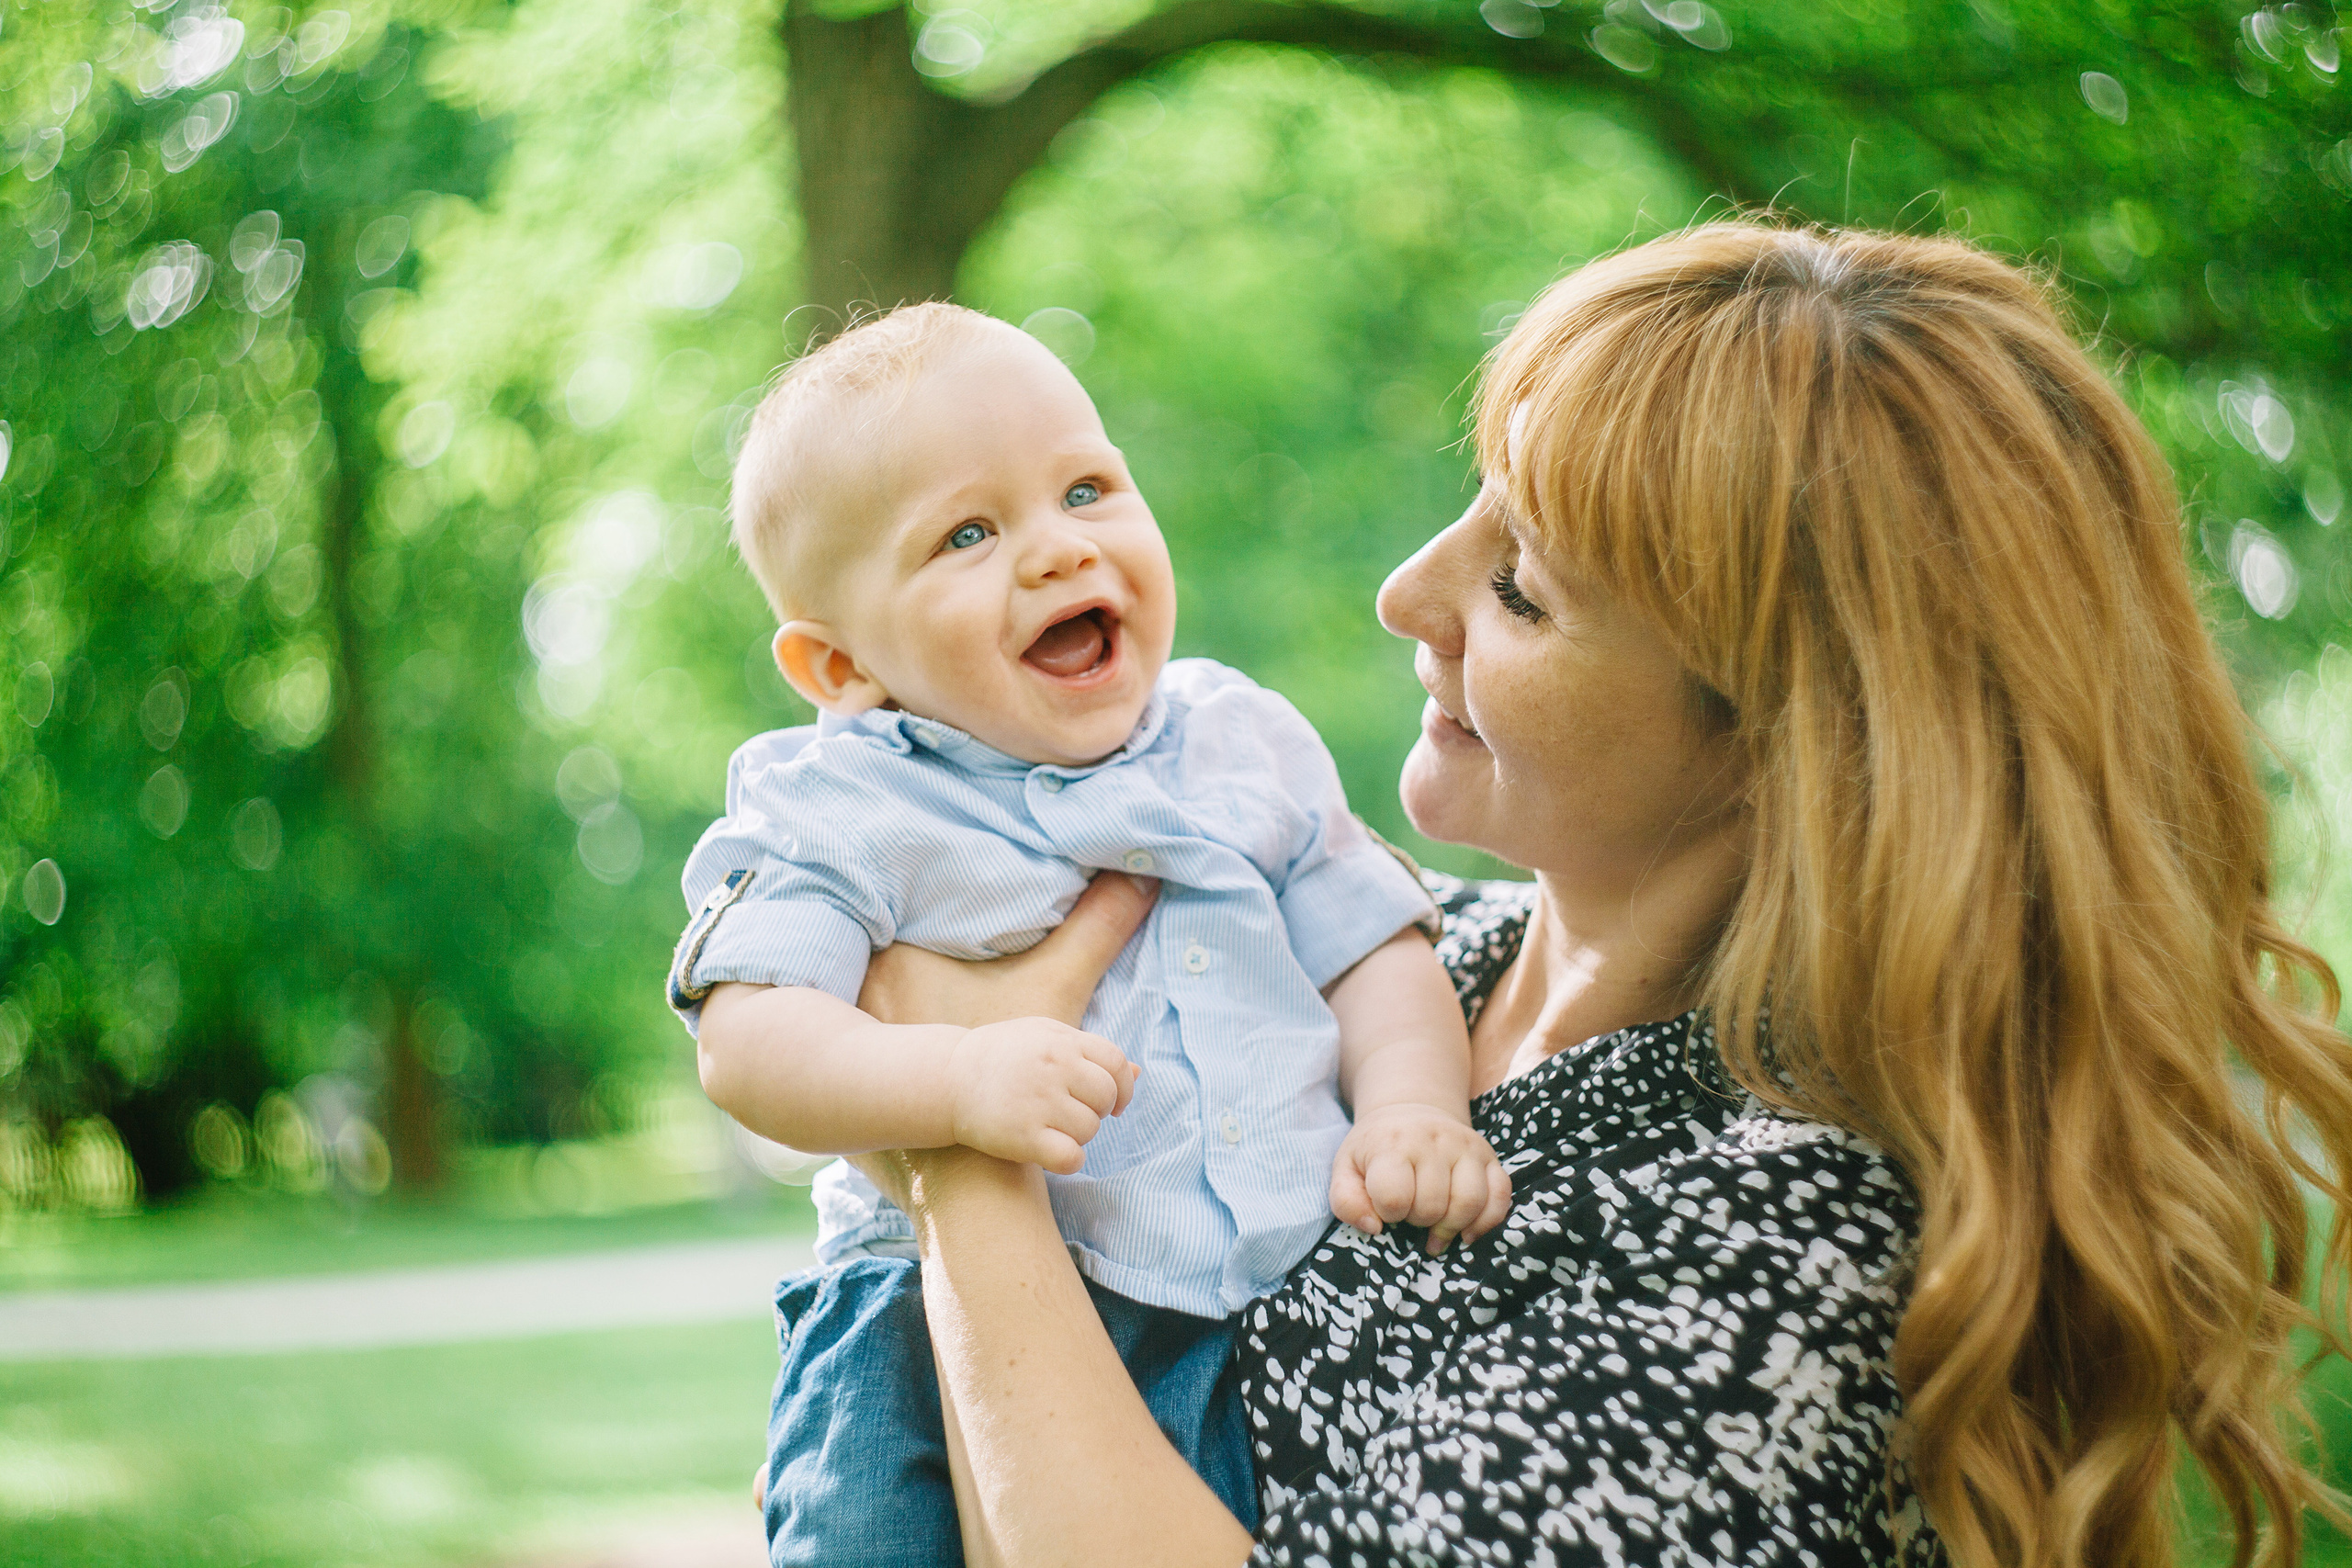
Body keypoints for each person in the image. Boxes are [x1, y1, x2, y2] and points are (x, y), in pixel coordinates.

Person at [706, 221, 2352, 1567]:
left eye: (1521, 587)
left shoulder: (1787, 1237)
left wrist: (963, 1155)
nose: (1404, 588)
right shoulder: (1427, 952)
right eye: (1469, 504)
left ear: (1792, 733)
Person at [673, 303, 1510, 1567]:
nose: (1059, 550)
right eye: (967, 532)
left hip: (1259, 1313)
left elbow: (1375, 946)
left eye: (1087, 487)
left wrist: (1412, 1107)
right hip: (911, 1316)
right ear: (838, 667)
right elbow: (750, 1043)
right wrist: (953, 1081)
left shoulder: (1239, 740)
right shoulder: (835, 803)